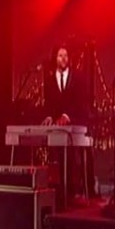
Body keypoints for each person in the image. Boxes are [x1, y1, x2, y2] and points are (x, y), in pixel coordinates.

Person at [40, 45, 94, 206]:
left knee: (73, 157)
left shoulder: (78, 77)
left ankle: (77, 191)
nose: (63, 58)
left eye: (65, 55)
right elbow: (49, 102)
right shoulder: (49, 79)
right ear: (55, 59)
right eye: (60, 55)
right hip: (58, 125)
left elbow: (81, 101)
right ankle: (64, 192)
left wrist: (67, 116)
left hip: (75, 122)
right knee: (60, 156)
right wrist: (49, 116)